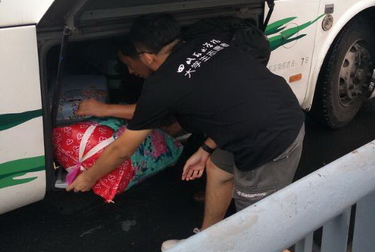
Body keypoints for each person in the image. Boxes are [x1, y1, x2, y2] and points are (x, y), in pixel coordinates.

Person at [67, 14, 305, 250]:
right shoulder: (207, 42)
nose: (130, 71)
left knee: (259, 228)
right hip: (277, 109)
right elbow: (231, 103)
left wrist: (88, 178)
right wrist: (206, 149)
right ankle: (206, 243)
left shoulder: (162, 86)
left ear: (147, 57)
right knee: (218, 169)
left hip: (269, 138)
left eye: (129, 64)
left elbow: (121, 150)